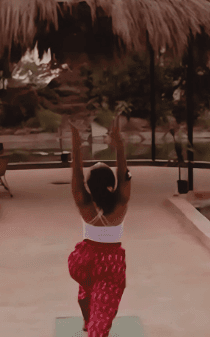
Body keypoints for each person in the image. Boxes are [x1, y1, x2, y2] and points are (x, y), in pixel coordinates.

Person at [67, 117, 132, 336]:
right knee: (100, 323)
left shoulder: (84, 203)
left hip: (82, 263)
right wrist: (119, 146)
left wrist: (76, 147)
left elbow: (75, 178)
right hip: (109, 266)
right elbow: (125, 176)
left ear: (88, 186)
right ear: (112, 185)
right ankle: (92, 323)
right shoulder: (120, 205)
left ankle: (87, 313)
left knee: (88, 287)